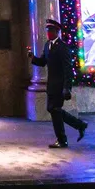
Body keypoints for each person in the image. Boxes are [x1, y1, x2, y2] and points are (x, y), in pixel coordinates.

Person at [29, 19, 86, 148]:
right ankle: (79, 125)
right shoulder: (47, 45)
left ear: (57, 32)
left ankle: (62, 140)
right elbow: (43, 62)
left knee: (54, 109)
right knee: (53, 109)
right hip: (51, 85)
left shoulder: (62, 47)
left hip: (60, 86)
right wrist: (32, 58)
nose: (48, 33)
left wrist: (67, 87)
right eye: (47, 30)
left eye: (51, 30)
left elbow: (68, 69)